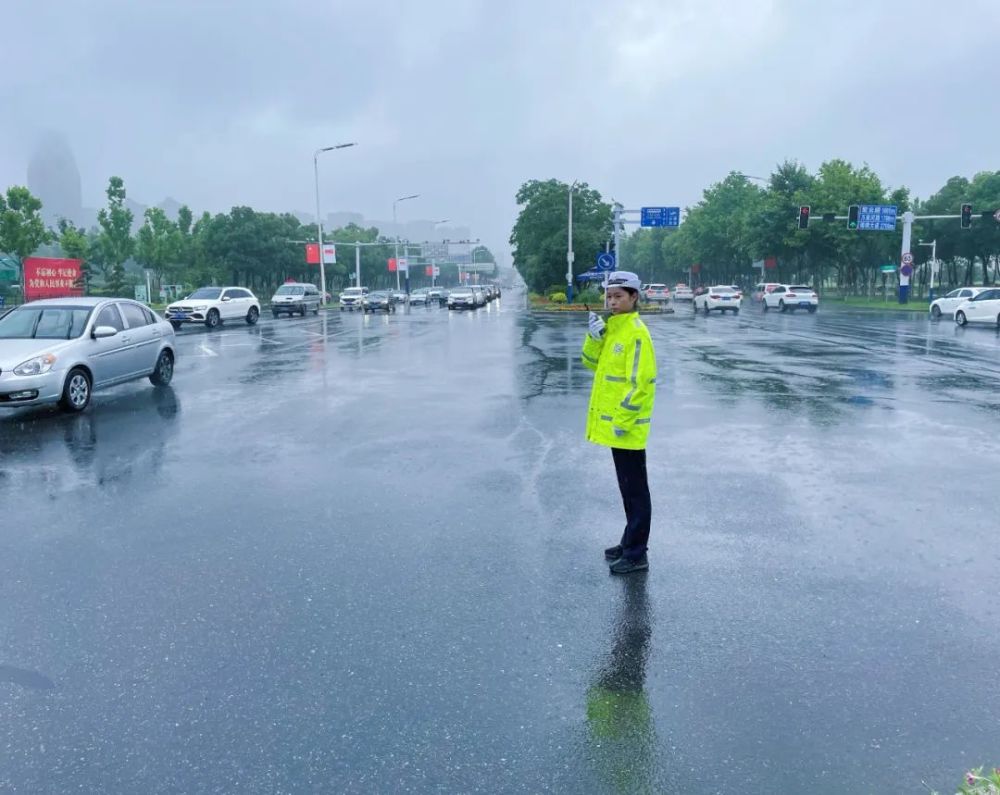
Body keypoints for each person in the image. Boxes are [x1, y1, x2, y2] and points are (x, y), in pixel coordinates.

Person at [581, 271, 657, 574]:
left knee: (636, 491)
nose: (612, 302)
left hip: (627, 427)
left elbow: (642, 383)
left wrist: (623, 420)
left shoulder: (636, 332)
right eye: (609, 296)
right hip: (616, 427)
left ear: (634, 297)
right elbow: (591, 364)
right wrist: (594, 337)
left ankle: (637, 553)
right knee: (627, 489)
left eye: (619, 296)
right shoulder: (614, 328)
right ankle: (629, 542)